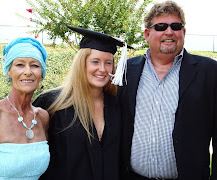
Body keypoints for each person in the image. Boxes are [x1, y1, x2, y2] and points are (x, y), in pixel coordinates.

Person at [118, 1, 217, 180]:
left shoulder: (209, 72)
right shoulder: (126, 71)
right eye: (161, 26)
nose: (169, 32)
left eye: (176, 26)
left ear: (183, 32)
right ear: (147, 34)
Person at [33, 25, 131, 180]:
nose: (102, 69)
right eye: (95, 61)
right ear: (82, 63)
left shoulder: (117, 105)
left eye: (108, 63)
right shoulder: (52, 103)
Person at [0, 37, 50, 179]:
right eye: (20, 65)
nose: (28, 71)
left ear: (42, 74)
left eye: (35, 65)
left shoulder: (42, 118)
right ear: (8, 71)